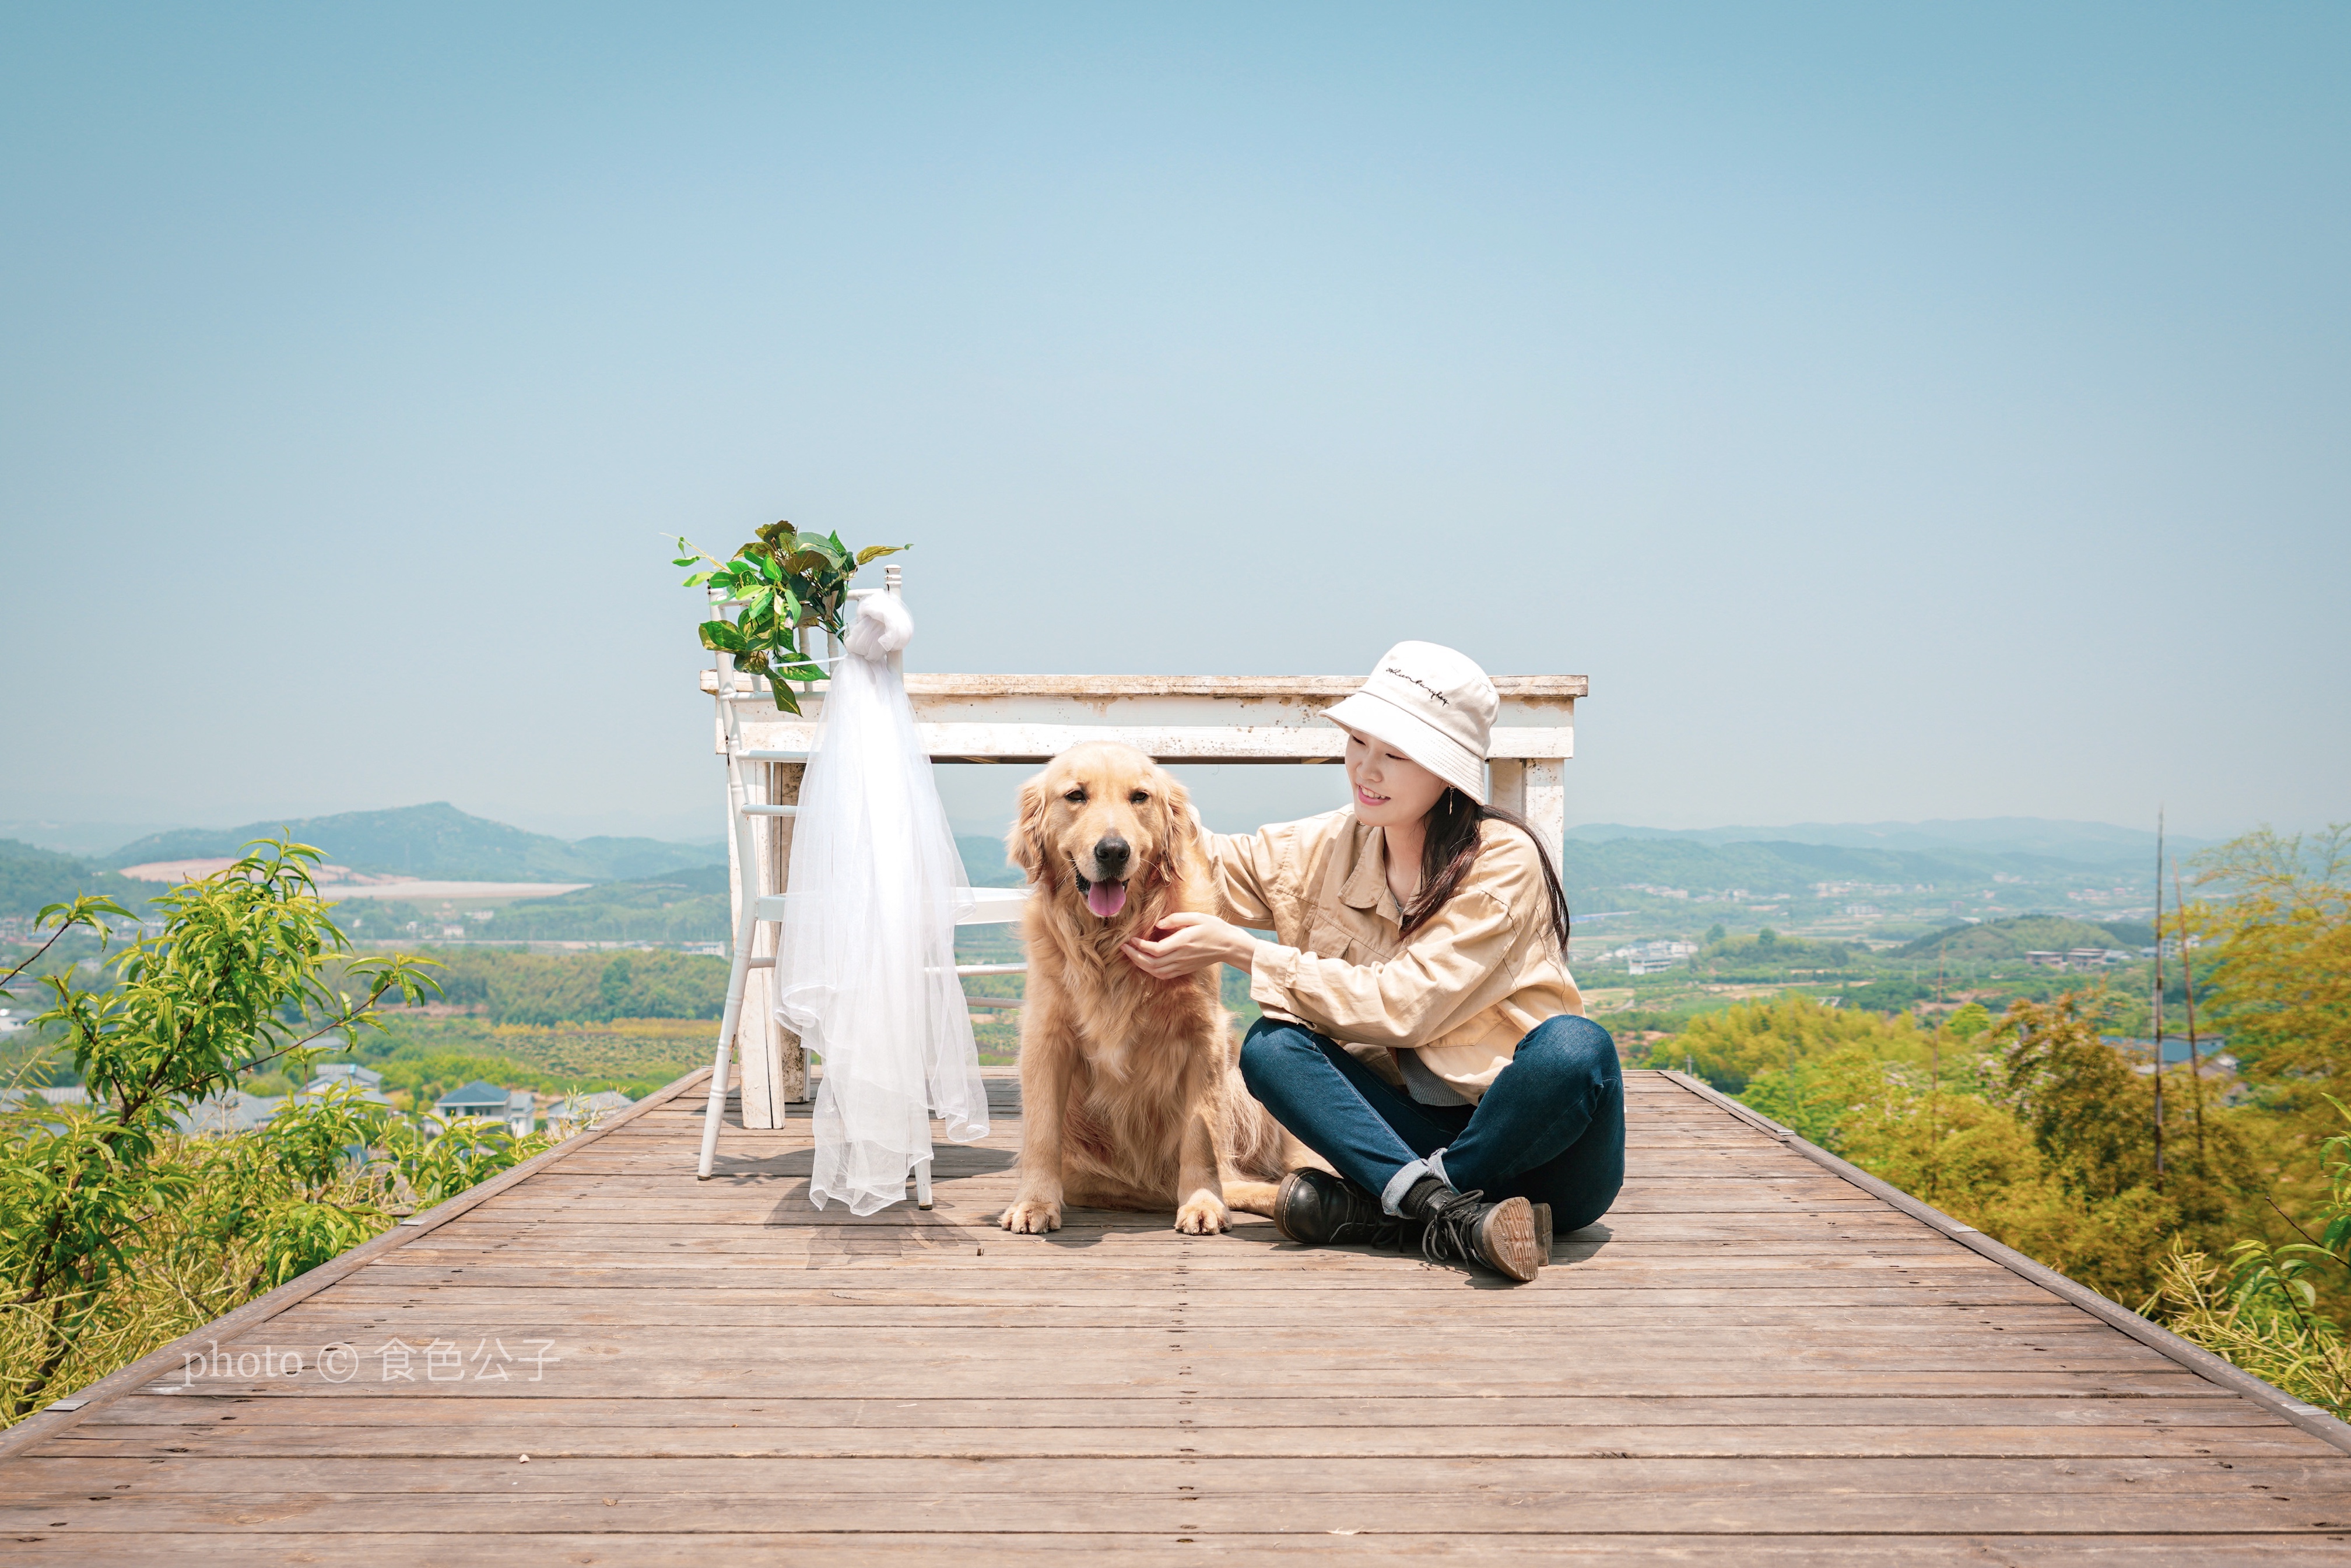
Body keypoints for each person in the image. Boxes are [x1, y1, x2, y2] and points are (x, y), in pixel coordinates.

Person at [1121, 641, 1623, 1282]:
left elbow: (1405, 1006)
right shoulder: (1330, 843)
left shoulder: (1503, 859)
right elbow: (1209, 859)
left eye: (1396, 754)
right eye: (1359, 742)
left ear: (1448, 773)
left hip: (1541, 1150)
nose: (1366, 769)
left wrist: (1241, 948)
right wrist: (1132, 795)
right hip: (1404, 1137)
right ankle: (1449, 1213)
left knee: (1575, 1048)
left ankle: (1396, 1210)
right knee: (1271, 1046)